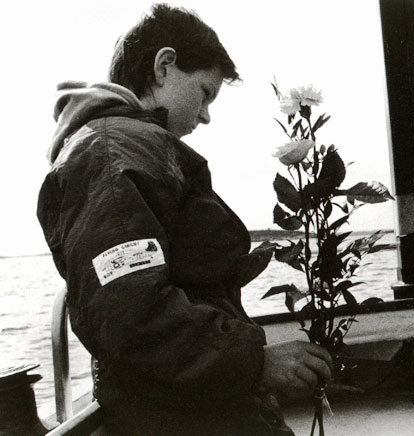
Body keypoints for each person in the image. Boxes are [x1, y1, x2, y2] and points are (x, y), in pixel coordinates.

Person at [37, 4, 332, 435]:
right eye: (205, 93)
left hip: (201, 403)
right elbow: (130, 315)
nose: (206, 114)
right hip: (182, 418)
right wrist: (256, 364)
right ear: (164, 66)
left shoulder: (131, 149)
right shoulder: (111, 155)